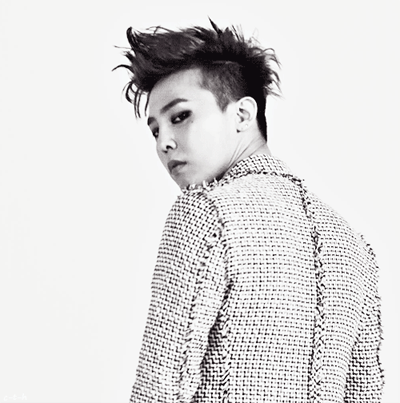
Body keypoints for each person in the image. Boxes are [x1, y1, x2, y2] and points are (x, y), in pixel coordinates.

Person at [115, 20, 384, 402]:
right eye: (155, 130)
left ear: (242, 114)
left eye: (180, 117)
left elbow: (161, 388)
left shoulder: (204, 214)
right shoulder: (352, 244)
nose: (164, 143)